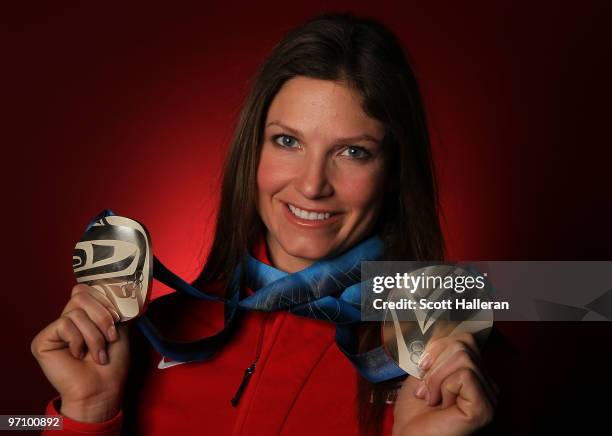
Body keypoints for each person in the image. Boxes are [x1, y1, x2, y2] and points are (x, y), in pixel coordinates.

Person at [31, 13, 497, 435]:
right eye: (287, 141)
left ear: (394, 171)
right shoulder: (150, 336)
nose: (313, 185)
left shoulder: (452, 364)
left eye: (353, 152)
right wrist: (87, 412)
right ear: (253, 151)